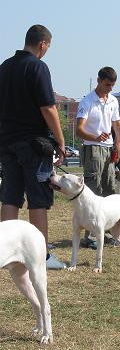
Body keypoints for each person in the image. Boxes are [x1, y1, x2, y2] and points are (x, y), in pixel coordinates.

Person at [0, 24, 66, 269]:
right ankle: (42, 257)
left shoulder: (4, 68)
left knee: (10, 196)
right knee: (38, 198)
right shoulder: (37, 66)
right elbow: (48, 107)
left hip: (6, 142)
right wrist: (60, 141)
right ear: (43, 44)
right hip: (34, 144)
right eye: (48, 47)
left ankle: (5, 253)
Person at [76, 66, 120, 249]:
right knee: (93, 190)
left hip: (108, 151)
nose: (110, 88)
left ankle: (107, 232)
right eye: (107, 84)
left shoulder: (113, 101)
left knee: (109, 189)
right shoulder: (87, 102)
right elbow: (79, 130)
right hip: (92, 149)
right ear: (99, 80)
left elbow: (118, 128)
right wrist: (95, 137)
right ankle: (89, 236)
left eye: (113, 85)